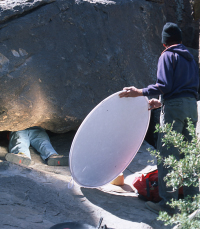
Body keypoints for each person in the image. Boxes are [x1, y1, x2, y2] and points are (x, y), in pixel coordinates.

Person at [119, 22, 199, 214]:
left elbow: (163, 85)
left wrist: (139, 92)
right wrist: (163, 102)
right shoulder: (191, 59)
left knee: (167, 157)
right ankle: (193, 204)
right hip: (191, 107)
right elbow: (184, 89)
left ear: (164, 43)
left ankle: (168, 206)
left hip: (175, 109)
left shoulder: (167, 55)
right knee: (188, 157)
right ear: (180, 40)